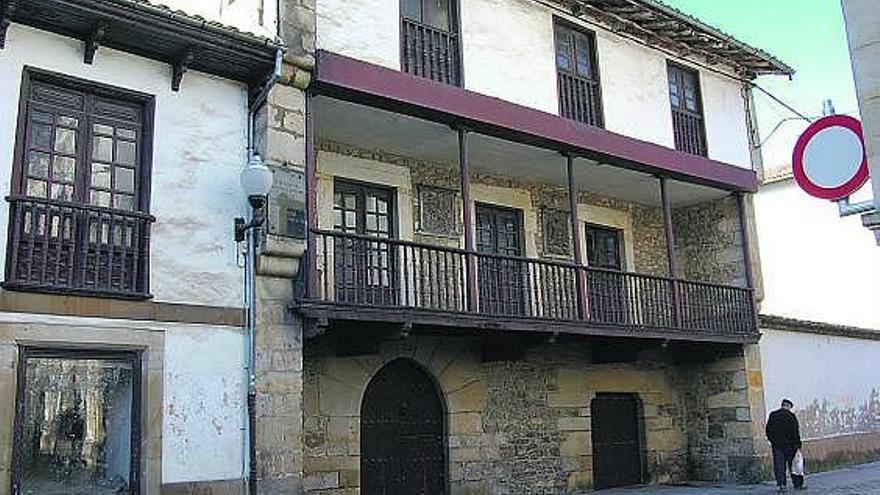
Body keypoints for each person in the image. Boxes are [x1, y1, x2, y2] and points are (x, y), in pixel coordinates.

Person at [766, 398, 805, 491]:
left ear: (782, 405)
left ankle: (781, 485)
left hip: (777, 445)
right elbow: (795, 432)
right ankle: (798, 484)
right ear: (788, 406)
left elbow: (768, 430)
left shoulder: (773, 415)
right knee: (794, 466)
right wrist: (798, 445)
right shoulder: (791, 416)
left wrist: (772, 441)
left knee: (779, 466)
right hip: (791, 446)